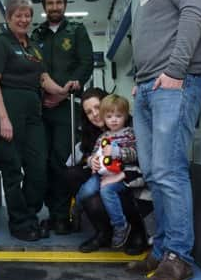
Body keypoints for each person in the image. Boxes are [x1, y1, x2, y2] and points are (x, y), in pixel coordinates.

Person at [111, 0, 201, 280]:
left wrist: (174, 70)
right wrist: (139, 80)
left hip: (175, 84)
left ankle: (179, 256)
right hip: (148, 89)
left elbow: (193, 14)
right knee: (153, 173)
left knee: (169, 171)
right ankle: (163, 247)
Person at [0, 0, 74, 242]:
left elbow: (43, 78)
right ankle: (20, 222)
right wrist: (3, 118)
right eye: (19, 15)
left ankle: (30, 214)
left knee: (38, 169)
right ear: (9, 17)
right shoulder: (0, 44)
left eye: (27, 15)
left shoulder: (33, 47)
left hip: (33, 113)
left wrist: (61, 90)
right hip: (9, 109)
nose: (24, 19)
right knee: (13, 168)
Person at [31, 0, 94, 235]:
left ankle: (61, 215)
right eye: (50, 3)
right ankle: (49, 211)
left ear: (65, 5)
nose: (55, 7)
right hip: (40, 107)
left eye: (59, 3)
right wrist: (46, 92)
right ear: (44, 7)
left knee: (61, 161)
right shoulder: (37, 35)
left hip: (67, 107)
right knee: (41, 162)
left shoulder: (77, 30)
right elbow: (32, 66)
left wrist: (66, 91)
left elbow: (86, 62)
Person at [65, 88, 151, 254]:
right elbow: (91, 154)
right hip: (105, 175)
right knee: (79, 180)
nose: (95, 114)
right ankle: (103, 231)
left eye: (97, 107)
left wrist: (122, 173)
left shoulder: (132, 129)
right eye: (89, 112)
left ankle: (135, 230)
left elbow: (142, 158)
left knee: (110, 190)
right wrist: (92, 161)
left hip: (132, 178)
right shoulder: (98, 135)